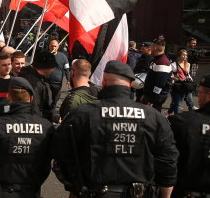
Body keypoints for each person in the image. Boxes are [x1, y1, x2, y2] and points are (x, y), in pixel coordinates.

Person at [53, 60, 178, 198]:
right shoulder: (154, 117)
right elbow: (168, 162)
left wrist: (75, 187)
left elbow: (60, 154)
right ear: (130, 85)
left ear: (104, 82)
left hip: (92, 191)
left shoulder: (82, 114)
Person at [0, 77, 54, 198]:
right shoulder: (46, 127)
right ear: (31, 98)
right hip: (31, 190)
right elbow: (54, 157)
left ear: (8, 97)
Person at [168, 74, 210, 198]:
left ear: (208, 95)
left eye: (200, 92)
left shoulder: (182, 122)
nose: (199, 96)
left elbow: (166, 160)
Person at [19, 50, 57, 122]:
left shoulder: (32, 76)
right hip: (34, 123)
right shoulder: (34, 84)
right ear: (46, 67)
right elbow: (35, 108)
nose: (53, 70)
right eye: (52, 67)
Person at [142, 40, 171, 112]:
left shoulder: (162, 63)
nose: (150, 48)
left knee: (152, 119)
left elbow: (159, 85)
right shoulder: (157, 59)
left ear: (154, 47)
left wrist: (151, 101)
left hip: (155, 99)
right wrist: (145, 95)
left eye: (151, 46)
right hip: (151, 96)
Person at [168, 49, 195, 115]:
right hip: (178, 85)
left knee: (190, 102)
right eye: (183, 55)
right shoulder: (174, 65)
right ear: (179, 55)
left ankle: (191, 114)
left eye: (186, 55)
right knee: (177, 102)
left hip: (186, 85)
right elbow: (169, 75)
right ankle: (175, 115)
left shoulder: (187, 64)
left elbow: (187, 74)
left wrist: (190, 79)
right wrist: (176, 78)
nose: (185, 56)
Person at [47, 40, 70, 114]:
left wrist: (68, 79)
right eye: (52, 45)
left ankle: (52, 112)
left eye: (55, 46)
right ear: (49, 46)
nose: (53, 47)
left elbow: (67, 69)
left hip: (57, 83)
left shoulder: (63, 57)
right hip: (46, 82)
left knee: (55, 99)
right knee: (47, 98)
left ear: (58, 47)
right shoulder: (45, 55)